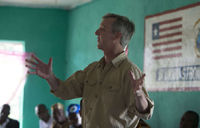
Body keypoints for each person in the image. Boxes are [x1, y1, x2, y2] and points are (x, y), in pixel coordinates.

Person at [25, 13, 154, 127]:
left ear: (116, 36)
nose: (96, 32)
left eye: (102, 29)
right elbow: (65, 91)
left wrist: (138, 95)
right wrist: (50, 77)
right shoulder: (93, 69)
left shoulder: (129, 71)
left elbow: (145, 112)